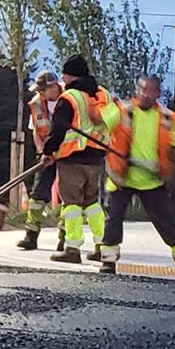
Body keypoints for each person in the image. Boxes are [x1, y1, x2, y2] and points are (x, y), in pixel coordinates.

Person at [97, 76, 175, 275]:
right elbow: (98, 125)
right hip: (120, 178)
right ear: (137, 90)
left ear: (158, 93)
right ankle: (108, 260)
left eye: (150, 91)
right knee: (113, 219)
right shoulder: (122, 110)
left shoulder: (168, 118)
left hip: (152, 180)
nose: (145, 95)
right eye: (142, 90)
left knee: (165, 220)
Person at [41, 54, 110, 264]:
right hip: (97, 157)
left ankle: (72, 248)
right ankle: (103, 246)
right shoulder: (102, 94)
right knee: (92, 202)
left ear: (70, 76)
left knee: (71, 204)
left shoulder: (69, 98)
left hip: (72, 157)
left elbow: (58, 129)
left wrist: (48, 151)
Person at [17, 71, 65, 250]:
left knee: (68, 197)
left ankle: (65, 238)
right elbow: (37, 132)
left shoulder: (69, 99)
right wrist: (43, 152)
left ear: (54, 87)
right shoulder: (37, 104)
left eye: (43, 90)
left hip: (69, 154)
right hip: (47, 155)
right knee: (38, 194)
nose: (40, 93)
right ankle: (31, 235)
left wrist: (59, 152)